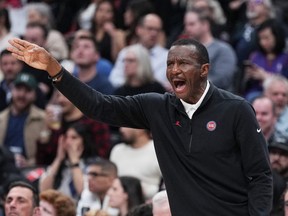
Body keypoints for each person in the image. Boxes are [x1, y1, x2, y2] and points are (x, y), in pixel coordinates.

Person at [7, 37, 273, 215]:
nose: (174, 70)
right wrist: (54, 69)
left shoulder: (236, 109)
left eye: (183, 63)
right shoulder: (157, 107)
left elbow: (260, 175)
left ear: (204, 69)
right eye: (170, 64)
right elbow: (99, 106)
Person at [0, 73, 46, 167]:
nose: (22, 95)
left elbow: (48, 155)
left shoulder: (44, 119)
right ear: (12, 91)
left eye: (27, 91)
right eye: (18, 89)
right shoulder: (1, 118)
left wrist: (29, 163)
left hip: (30, 171)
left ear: (35, 94)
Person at [110, 126, 162, 200]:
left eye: (126, 126)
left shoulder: (158, 150)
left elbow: (168, 185)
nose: (121, 129)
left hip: (149, 204)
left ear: (140, 129)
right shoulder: (117, 150)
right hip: (118, 204)